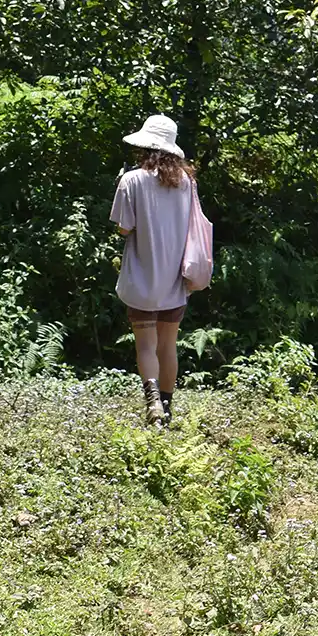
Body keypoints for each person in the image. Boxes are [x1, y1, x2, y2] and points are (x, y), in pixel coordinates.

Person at [110, 114, 195, 428]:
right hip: (175, 280)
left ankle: (153, 404)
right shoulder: (187, 182)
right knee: (167, 344)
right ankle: (167, 406)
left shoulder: (132, 180)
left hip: (142, 278)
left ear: (145, 147)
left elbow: (123, 228)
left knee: (145, 345)